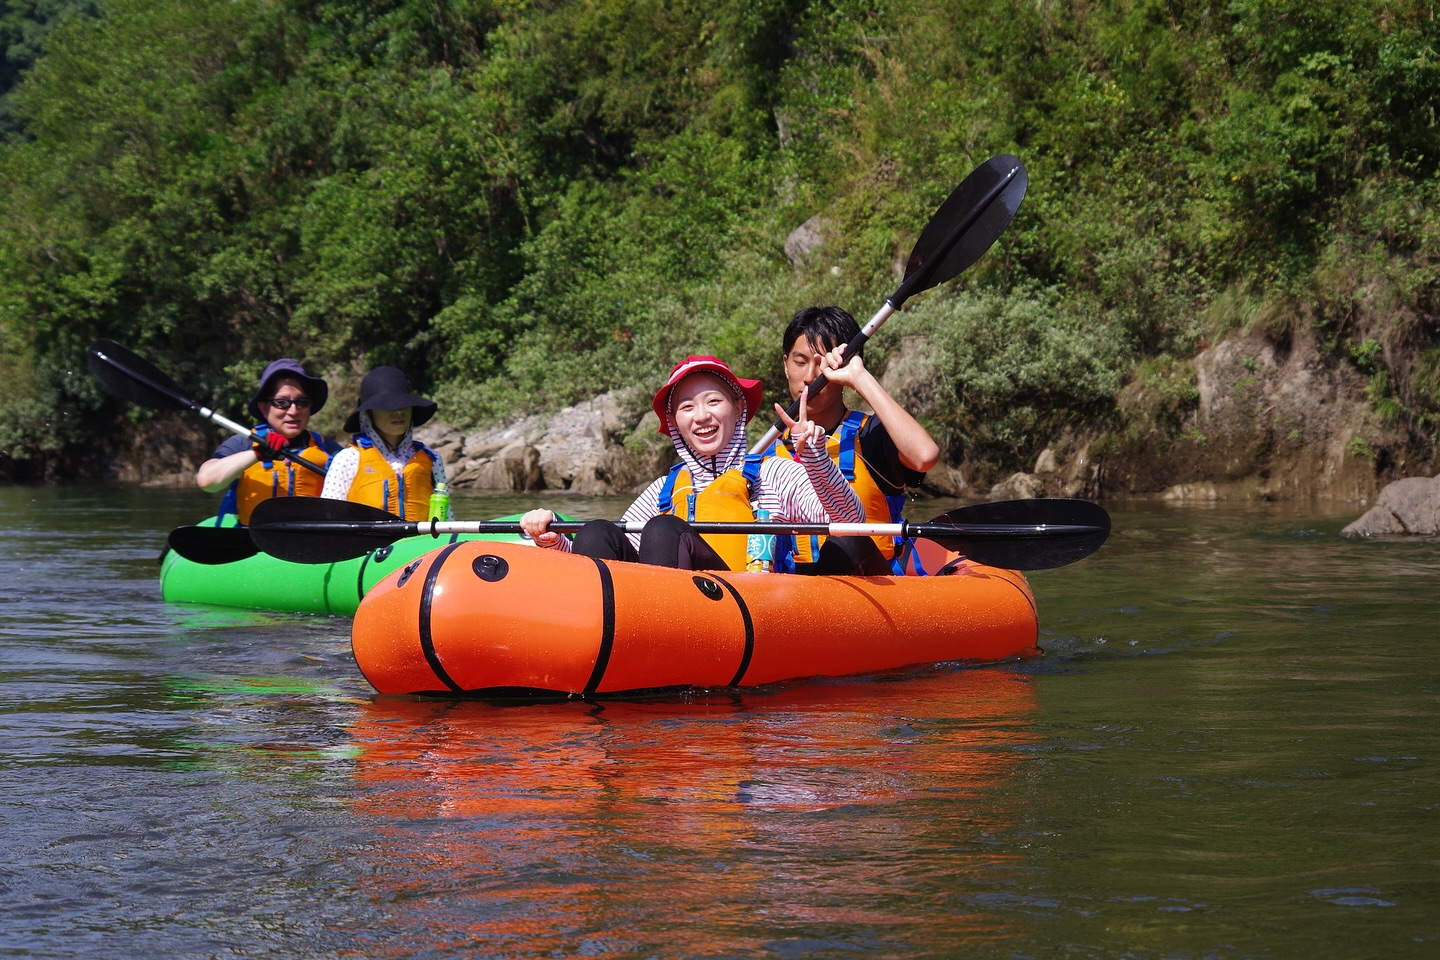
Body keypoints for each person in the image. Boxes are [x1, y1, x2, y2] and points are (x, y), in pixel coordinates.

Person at [519, 355, 863, 570]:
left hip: (746, 612)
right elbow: (607, 554)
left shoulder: (775, 473)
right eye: (686, 407)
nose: (701, 416)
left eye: (713, 401)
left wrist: (815, 457)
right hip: (659, 612)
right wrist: (552, 538)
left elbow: (850, 522)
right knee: (596, 530)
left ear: (739, 408)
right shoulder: (663, 491)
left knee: (663, 529)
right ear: (674, 424)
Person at [770, 306, 941, 575]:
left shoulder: (870, 435)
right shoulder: (768, 454)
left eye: (821, 364)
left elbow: (924, 456)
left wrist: (859, 377)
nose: (809, 377)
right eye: (800, 362)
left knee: (847, 538)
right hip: (795, 594)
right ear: (785, 365)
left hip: (869, 583)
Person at [195, 359, 342, 526]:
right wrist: (257, 454)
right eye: (282, 403)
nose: (293, 411)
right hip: (251, 540)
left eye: (302, 402)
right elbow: (207, 482)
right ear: (264, 408)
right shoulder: (243, 443)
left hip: (307, 542)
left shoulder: (327, 448)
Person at [320, 366, 450, 520]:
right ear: (368, 414)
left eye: (403, 405)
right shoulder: (347, 459)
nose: (398, 412)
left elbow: (448, 519)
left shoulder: (432, 459)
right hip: (367, 542)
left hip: (423, 543)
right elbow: (329, 518)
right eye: (387, 406)